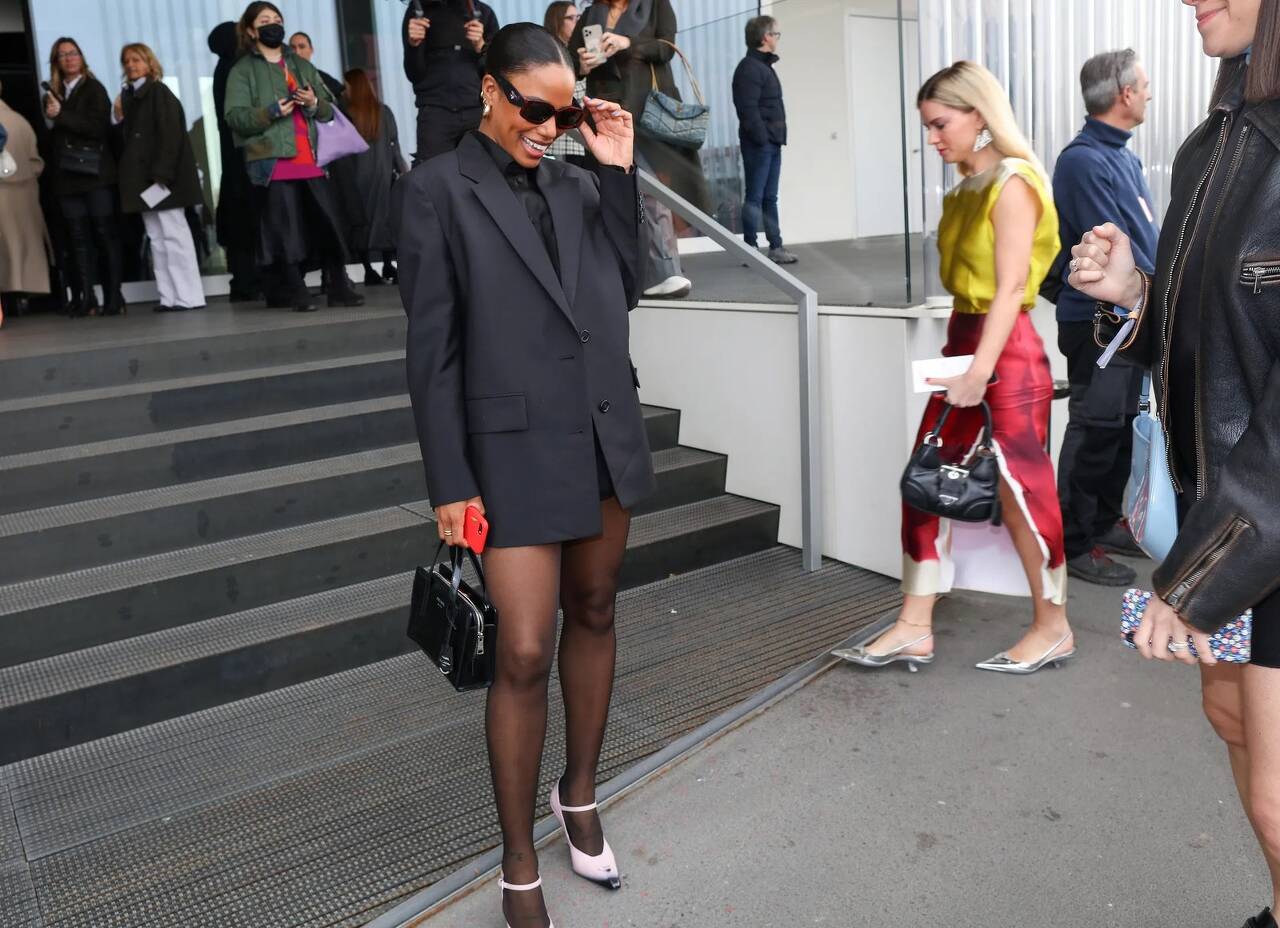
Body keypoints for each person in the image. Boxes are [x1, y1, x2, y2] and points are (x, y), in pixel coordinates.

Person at [398, 22, 652, 928]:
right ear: (490, 90)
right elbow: (432, 352)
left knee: (597, 610)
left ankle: (577, 793)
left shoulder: (581, 183)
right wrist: (448, 485)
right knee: (523, 651)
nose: (548, 128)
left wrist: (617, 171)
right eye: (534, 110)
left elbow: (624, 290)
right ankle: (517, 860)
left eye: (564, 113)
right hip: (507, 453)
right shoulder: (436, 189)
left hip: (600, 435)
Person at [1069, 3, 1280, 925]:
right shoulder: (1212, 142)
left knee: (1277, 800)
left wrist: (1195, 580)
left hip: (1258, 523)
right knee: (1231, 725)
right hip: (1227, 512)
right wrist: (1135, 291)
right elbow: (1223, 330)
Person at [835, 61, 1072, 675]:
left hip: (1005, 353)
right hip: (968, 343)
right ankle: (914, 625)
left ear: (979, 115)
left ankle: (1054, 628)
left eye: (941, 124)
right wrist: (964, 365)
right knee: (925, 477)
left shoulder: (1013, 181)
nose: (933, 138)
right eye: (928, 127)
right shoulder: (967, 187)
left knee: (1023, 494)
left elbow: (1011, 285)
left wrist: (978, 372)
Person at [1051, 49, 1158, 587]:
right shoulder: (1083, 161)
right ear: (1124, 94)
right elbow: (1111, 246)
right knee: (1094, 428)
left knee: (1119, 429)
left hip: (1130, 314)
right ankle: (1071, 543)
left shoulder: (1123, 158)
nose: (1149, 93)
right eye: (1144, 84)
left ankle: (1103, 523)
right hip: (1098, 321)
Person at [224, 1, 363, 313]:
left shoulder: (299, 64)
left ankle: (338, 285)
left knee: (328, 223)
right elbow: (234, 117)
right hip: (273, 159)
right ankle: (295, 289)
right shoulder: (242, 70)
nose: (273, 25)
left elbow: (328, 108)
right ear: (251, 30)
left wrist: (313, 102)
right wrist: (270, 112)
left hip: (312, 157)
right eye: (264, 20)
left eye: (277, 19)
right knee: (285, 228)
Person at [569, 0, 709, 300]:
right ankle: (646, 272)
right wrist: (582, 65)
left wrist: (627, 43)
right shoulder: (592, 13)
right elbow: (570, 61)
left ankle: (664, 270)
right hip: (606, 113)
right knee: (621, 192)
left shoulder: (655, 4)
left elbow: (666, 48)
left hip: (646, 111)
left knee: (651, 189)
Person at [112, 43, 206, 313]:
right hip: (145, 180)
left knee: (174, 235)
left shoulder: (158, 92)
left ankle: (188, 296)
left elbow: (170, 135)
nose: (131, 65)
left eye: (137, 60)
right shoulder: (130, 96)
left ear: (149, 63)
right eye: (127, 61)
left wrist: (162, 174)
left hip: (162, 180)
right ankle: (169, 296)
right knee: (156, 237)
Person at [43, 37, 127, 317]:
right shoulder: (53, 93)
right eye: (63, 55)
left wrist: (61, 115)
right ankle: (87, 296)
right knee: (77, 238)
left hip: (95, 175)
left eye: (73, 53)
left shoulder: (94, 88)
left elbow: (97, 128)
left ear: (82, 57)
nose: (69, 58)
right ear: (56, 61)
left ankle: (114, 296)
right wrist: (53, 116)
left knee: (104, 234)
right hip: (67, 178)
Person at [401, 0, 500, 164]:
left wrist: (481, 46)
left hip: (477, 110)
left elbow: (497, 71)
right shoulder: (418, 11)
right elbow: (413, 73)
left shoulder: (483, 13)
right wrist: (413, 46)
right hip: (435, 112)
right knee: (432, 174)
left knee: (485, 170)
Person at [732, 15, 795, 265]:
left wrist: (772, 139)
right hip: (761, 144)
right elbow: (747, 109)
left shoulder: (762, 66)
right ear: (765, 37)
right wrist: (762, 138)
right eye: (776, 34)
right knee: (755, 197)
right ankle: (750, 249)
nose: (777, 39)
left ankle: (775, 247)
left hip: (771, 142)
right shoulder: (749, 68)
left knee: (769, 197)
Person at [209, 21, 263, 303]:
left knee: (238, 223)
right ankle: (254, 280)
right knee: (251, 220)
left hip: (232, 161)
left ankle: (243, 282)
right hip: (247, 156)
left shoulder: (222, 69)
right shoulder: (238, 70)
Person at [342, 68, 407, 286]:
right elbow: (394, 145)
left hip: (356, 178)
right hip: (383, 176)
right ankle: (389, 264)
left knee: (360, 222)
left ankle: (368, 269)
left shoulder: (346, 115)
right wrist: (402, 169)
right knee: (385, 221)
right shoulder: (383, 112)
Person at [0, 84, 52, 309]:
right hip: (25, 195)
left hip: (4, 194)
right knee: (22, 251)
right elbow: (36, 163)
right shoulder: (20, 121)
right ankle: (20, 297)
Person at [543, 1, 589, 167]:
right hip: (561, 139)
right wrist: (581, 72)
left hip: (580, 138)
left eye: (578, 17)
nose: (577, 22)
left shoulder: (579, 50)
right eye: (571, 18)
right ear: (557, 21)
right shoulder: (550, 52)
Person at [288, 32, 345, 102]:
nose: (297, 52)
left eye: (302, 47)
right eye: (292, 48)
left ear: (311, 50)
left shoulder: (325, 79)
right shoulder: (282, 76)